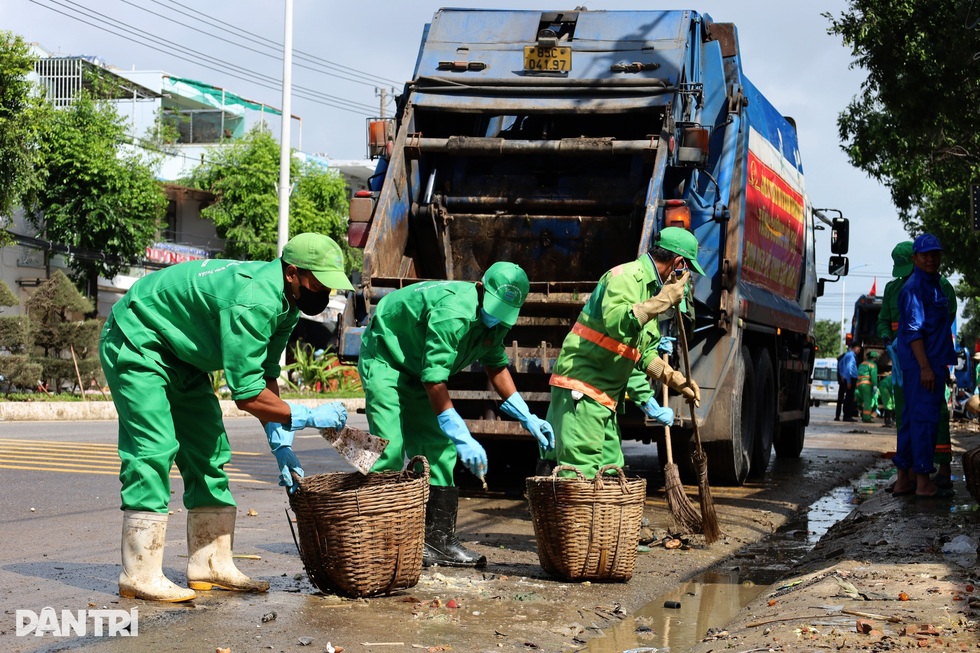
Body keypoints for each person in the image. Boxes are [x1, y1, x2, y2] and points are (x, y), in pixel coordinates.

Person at [99, 233, 353, 602]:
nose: (325, 292)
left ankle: (210, 564)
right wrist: (305, 414)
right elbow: (247, 394)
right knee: (154, 447)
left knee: (208, 450)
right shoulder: (253, 300)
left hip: (183, 356)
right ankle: (140, 573)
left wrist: (279, 438)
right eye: (319, 282)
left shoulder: (287, 305)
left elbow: (264, 376)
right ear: (293, 273)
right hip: (138, 339)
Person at [358, 261, 554, 568]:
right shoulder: (454, 312)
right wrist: (457, 427)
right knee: (389, 447)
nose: (497, 317)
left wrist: (526, 413)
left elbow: (496, 362)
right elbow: (434, 378)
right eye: (494, 307)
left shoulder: (497, 318)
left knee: (440, 450)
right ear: (480, 289)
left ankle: (437, 540)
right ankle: (382, 540)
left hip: (419, 366)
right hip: (387, 357)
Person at [546, 227, 702, 479]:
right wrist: (663, 300)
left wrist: (676, 379)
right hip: (582, 388)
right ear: (679, 263)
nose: (687, 278)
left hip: (605, 397)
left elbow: (642, 353)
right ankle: (581, 520)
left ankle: (607, 520)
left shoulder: (650, 290)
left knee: (611, 470)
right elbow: (617, 323)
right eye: (688, 271)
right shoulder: (626, 277)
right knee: (580, 473)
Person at [877, 240, 956, 487]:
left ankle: (930, 470)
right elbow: (903, 327)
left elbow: (944, 321)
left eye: (935, 255)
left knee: (930, 417)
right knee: (915, 417)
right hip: (913, 361)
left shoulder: (940, 286)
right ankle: (916, 477)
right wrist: (891, 341)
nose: (930, 260)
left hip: (927, 360)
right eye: (925, 256)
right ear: (915, 258)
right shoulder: (902, 289)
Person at [838, 343, 861, 422]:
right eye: (858, 349)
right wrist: (848, 381)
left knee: (848, 397)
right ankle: (847, 416)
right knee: (849, 398)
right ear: (854, 348)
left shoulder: (847, 355)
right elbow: (848, 368)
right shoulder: (851, 356)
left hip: (847, 378)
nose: (859, 351)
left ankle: (846, 415)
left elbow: (840, 364)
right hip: (851, 378)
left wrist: (841, 374)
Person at [856, 350, 879, 423]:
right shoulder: (873, 365)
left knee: (862, 401)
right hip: (866, 385)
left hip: (858, 384)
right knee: (867, 402)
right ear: (874, 358)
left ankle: (862, 414)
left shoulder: (862, 363)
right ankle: (866, 418)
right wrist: (875, 385)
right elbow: (874, 377)